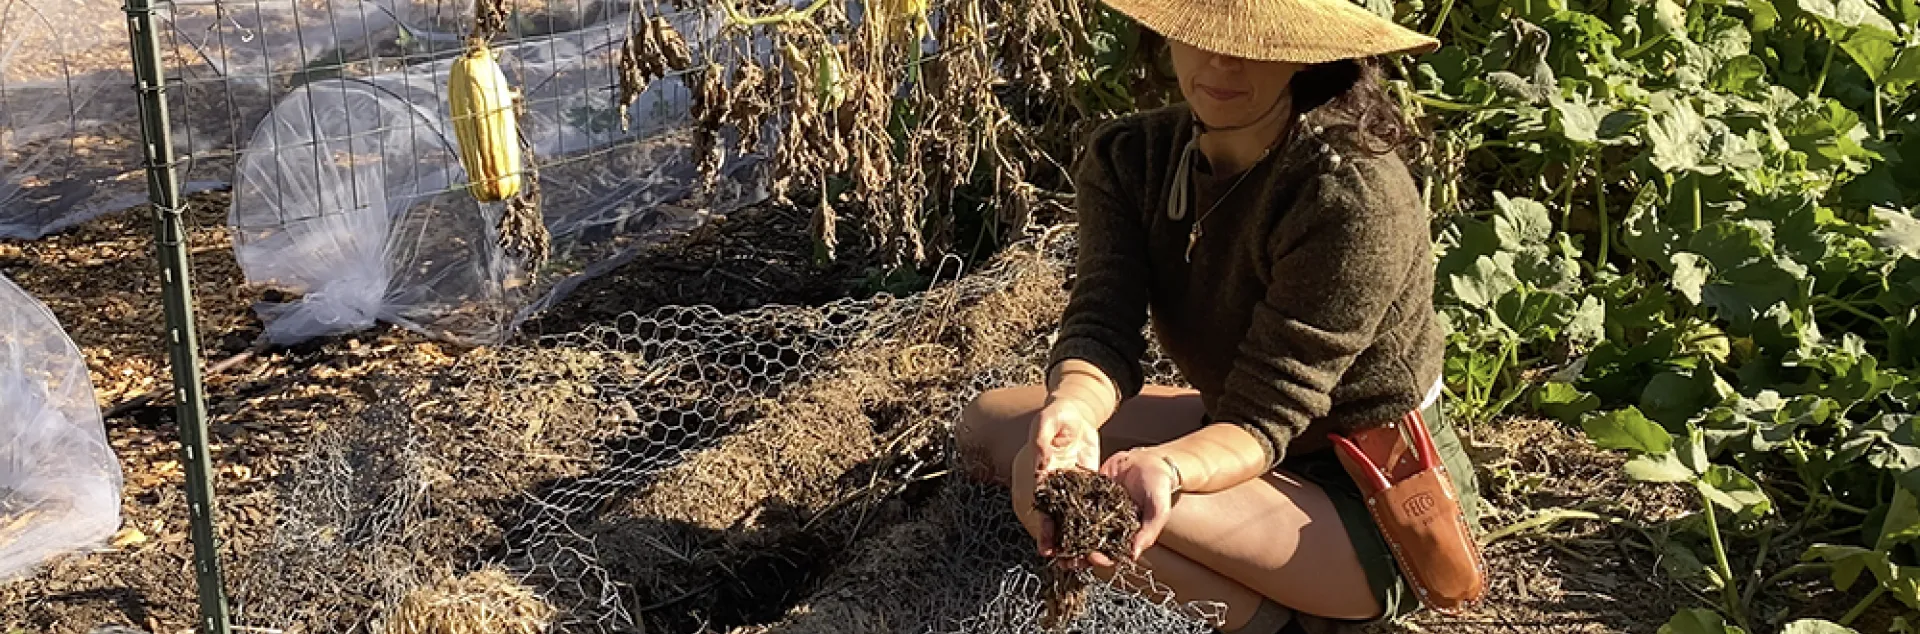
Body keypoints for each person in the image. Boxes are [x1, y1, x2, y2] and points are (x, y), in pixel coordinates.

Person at [953, 1, 1482, 633]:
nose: (1223, 60)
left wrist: (1170, 466)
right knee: (993, 432)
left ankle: (1268, 623)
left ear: (1307, 53)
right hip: (1231, 420)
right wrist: (1075, 409)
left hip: (1360, 490)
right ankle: (1258, 596)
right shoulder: (1132, 158)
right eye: (1205, 32)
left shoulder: (1349, 195)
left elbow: (1270, 411)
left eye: (1259, 42)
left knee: (1093, 504)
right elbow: (1101, 322)